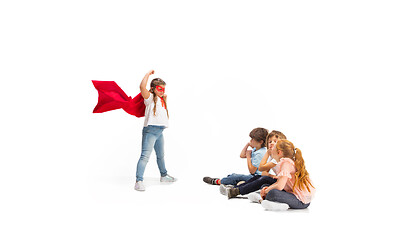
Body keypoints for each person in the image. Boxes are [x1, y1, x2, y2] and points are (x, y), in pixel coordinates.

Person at [134, 70, 176, 191]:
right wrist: (147, 74)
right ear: (152, 89)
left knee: (161, 155)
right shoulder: (150, 98)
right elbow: (142, 87)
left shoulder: (161, 99)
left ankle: (163, 175)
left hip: (160, 132)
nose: (162, 91)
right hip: (150, 131)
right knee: (145, 157)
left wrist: (165, 100)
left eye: (164, 89)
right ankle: (139, 181)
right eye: (159, 89)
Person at [225, 130, 287, 199]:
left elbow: (261, 169)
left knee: (263, 179)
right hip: (279, 181)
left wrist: (267, 154)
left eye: (275, 142)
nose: (272, 143)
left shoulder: (281, 158)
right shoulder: (272, 157)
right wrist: (272, 176)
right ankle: (235, 188)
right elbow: (263, 172)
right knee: (259, 178)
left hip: (284, 185)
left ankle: (237, 191)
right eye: (270, 142)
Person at [259, 139, 315, 210]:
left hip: (301, 202)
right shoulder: (285, 162)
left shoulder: (286, 163)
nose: (271, 149)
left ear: (279, 152)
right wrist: (266, 189)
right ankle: (273, 202)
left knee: (272, 193)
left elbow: (279, 186)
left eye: (273, 148)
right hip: (292, 194)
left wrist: (265, 191)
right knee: (265, 186)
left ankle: (280, 205)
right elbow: (278, 183)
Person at [203, 128, 268, 186]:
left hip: (258, 177)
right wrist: (247, 144)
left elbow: (252, 171)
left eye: (253, 139)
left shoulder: (260, 153)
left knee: (235, 177)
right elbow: (242, 155)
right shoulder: (257, 149)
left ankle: (217, 181)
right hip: (254, 176)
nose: (251, 141)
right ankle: (233, 181)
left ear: (260, 142)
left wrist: (248, 157)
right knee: (233, 176)